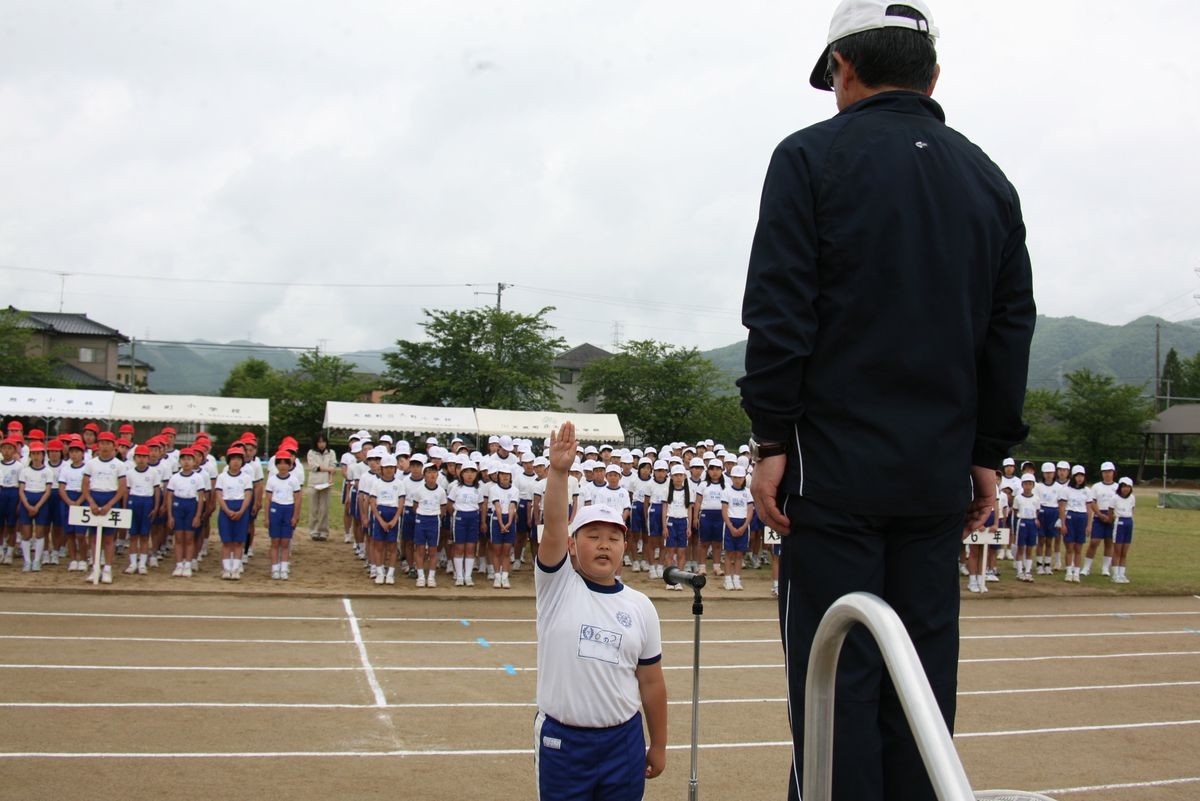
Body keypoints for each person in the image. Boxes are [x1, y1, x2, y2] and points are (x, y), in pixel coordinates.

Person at [737, 1, 1035, 798]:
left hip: (832, 475)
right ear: (933, 74)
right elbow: (1010, 331)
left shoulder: (808, 157)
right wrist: (986, 453)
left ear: (842, 68)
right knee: (922, 689)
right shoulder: (988, 180)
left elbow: (780, 309)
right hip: (937, 474)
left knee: (834, 680)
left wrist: (771, 439)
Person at [534, 421, 666, 799]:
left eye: (613, 537)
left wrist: (658, 743)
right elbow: (555, 525)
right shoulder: (556, 586)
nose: (604, 545)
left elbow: (652, 682)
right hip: (563, 743)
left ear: (625, 547)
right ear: (574, 546)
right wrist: (559, 473)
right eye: (592, 536)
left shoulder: (640, 606)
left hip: (623, 742)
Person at [166, 448, 207, 578]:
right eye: (184, 459)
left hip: (191, 506)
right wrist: (170, 515)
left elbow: (201, 497)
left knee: (189, 538)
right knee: (178, 537)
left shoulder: (198, 478)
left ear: (194, 461)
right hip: (178, 506)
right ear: (180, 461)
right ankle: (179, 564)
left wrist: (198, 515)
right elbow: (169, 497)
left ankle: (188, 564)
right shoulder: (174, 477)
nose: (186, 462)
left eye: (189, 459)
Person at [215, 445, 253, 580]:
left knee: (238, 541)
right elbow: (219, 495)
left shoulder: (247, 477)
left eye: (238, 459)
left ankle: (235, 568)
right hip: (226, 507)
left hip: (241, 508)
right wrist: (227, 510)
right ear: (229, 461)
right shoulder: (222, 477)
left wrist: (241, 510)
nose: (236, 462)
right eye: (233, 459)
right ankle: (226, 569)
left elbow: (248, 495)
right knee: (226, 541)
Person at [123, 444, 161, 575]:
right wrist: (125, 507)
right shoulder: (129, 473)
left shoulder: (153, 473)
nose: (141, 460)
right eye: (139, 457)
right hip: (133, 501)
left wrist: (156, 507)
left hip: (147, 502)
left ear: (148, 458)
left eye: (144, 457)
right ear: (134, 458)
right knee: (133, 535)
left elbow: (157, 491)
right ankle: (133, 563)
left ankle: (142, 563)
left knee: (145, 535)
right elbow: (126, 491)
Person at [265, 451, 302, 580]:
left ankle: (284, 567)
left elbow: (298, 499)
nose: (282, 466)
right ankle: (275, 568)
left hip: (288, 509)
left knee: (285, 542)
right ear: (276, 465)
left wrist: (295, 516)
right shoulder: (272, 480)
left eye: (285, 463)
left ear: (290, 464)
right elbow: (268, 500)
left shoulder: (293, 480)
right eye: (279, 463)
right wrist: (267, 517)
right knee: (275, 541)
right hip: (275, 509)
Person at [1082, 460, 1117, 577]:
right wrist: (1099, 514)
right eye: (1105, 472)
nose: (1107, 474)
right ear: (1102, 473)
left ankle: (1105, 568)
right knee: (1094, 542)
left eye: (1109, 471)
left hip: (1112, 516)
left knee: (1109, 542)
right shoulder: (1096, 486)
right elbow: (1092, 502)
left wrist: (1112, 516)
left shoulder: (1117, 487)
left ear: (1113, 472)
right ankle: (1086, 567)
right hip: (1099, 515)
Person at [721, 465, 754, 590]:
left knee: (740, 554)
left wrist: (744, 526)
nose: (737, 480)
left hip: (744, 523)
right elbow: (724, 510)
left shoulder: (748, 492)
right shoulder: (727, 491)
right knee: (729, 553)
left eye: (740, 478)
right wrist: (731, 527)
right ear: (731, 477)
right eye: (735, 477)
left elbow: (750, 510)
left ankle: (737, 578)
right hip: (730, 523)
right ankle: (728, 579)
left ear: (744, 478)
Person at [306, 433, 337, 541]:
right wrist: (328, 469)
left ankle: (323, 531)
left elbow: (333, 466)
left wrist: (331, 476)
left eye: (323, 441)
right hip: (314, 483)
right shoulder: (311, 452)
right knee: (314, 509)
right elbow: (314, 467)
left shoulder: (331, 452)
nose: (321, 444)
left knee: (324, 509)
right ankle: (314, 530)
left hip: (326, 483)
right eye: (319, 442)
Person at [1111, 477, 1136, 583]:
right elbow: (1110, 511)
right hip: (1119, 522)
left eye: (1128, 487)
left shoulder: (1132, 498)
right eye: (1124, 486)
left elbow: (1132, 509)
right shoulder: (1115, 498)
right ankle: (1115, 574)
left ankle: (1122, 574)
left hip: (1129, 522)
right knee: (1117, 550)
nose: (1126, 489)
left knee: (1124, 551)